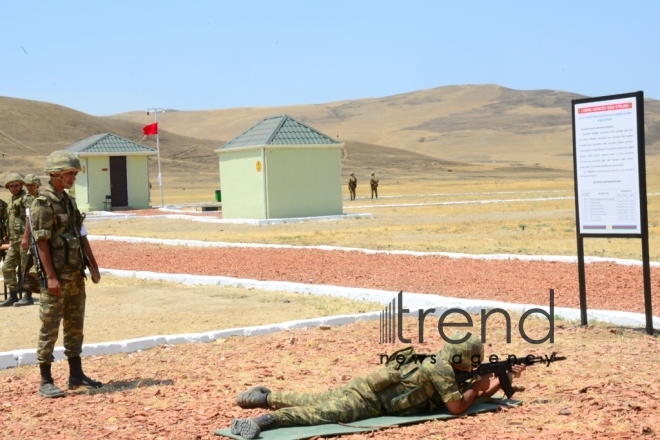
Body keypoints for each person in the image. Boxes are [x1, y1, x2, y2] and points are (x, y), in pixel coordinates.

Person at [228, 332, 526, 439]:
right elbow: (458, 406)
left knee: (315, 398)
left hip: (368, 387)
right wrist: (482, 386)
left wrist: (502, 380)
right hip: (370, 400)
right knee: (321, 414)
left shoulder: (441, 363)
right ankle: (263, 421)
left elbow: (473, 391)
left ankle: (266, 396)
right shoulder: (443, 370)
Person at [31, 151, 102, 398]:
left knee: (75, 326)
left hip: (74, 275)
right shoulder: (43, 203)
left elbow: (80, 233)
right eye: (70, 173)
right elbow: (41, 243)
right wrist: (50, 277)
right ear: (57, 174)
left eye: (74, 173)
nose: (73, 177)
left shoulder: (68, 201)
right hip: (56, 277)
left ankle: (76, 374)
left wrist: (93, 264)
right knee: (49, 327)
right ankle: (45, 380)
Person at [0, 173, 29, 307]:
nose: (14, 188)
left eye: (16, 185)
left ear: (21, 185)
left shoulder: (26, 199)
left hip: (24, 240)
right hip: (14, 240)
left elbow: (30, 219)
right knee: (7, 267)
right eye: (11, 186)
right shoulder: (11, 201)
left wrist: (25, 237)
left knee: (25, 268)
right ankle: (13, 295)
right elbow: (8, 219)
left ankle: (27, 295)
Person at [14, 174, 43, 306]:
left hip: (44, 235)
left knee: (44, 264)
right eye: (28, 185)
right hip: (31, 237)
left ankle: (47, 292)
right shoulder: (24, 200)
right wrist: (24, 236)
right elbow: (26, 219)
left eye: (32, 185)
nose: (30, 187)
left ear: (38, 185)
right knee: (27, 265)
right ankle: (27, 295)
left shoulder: (44, 199)